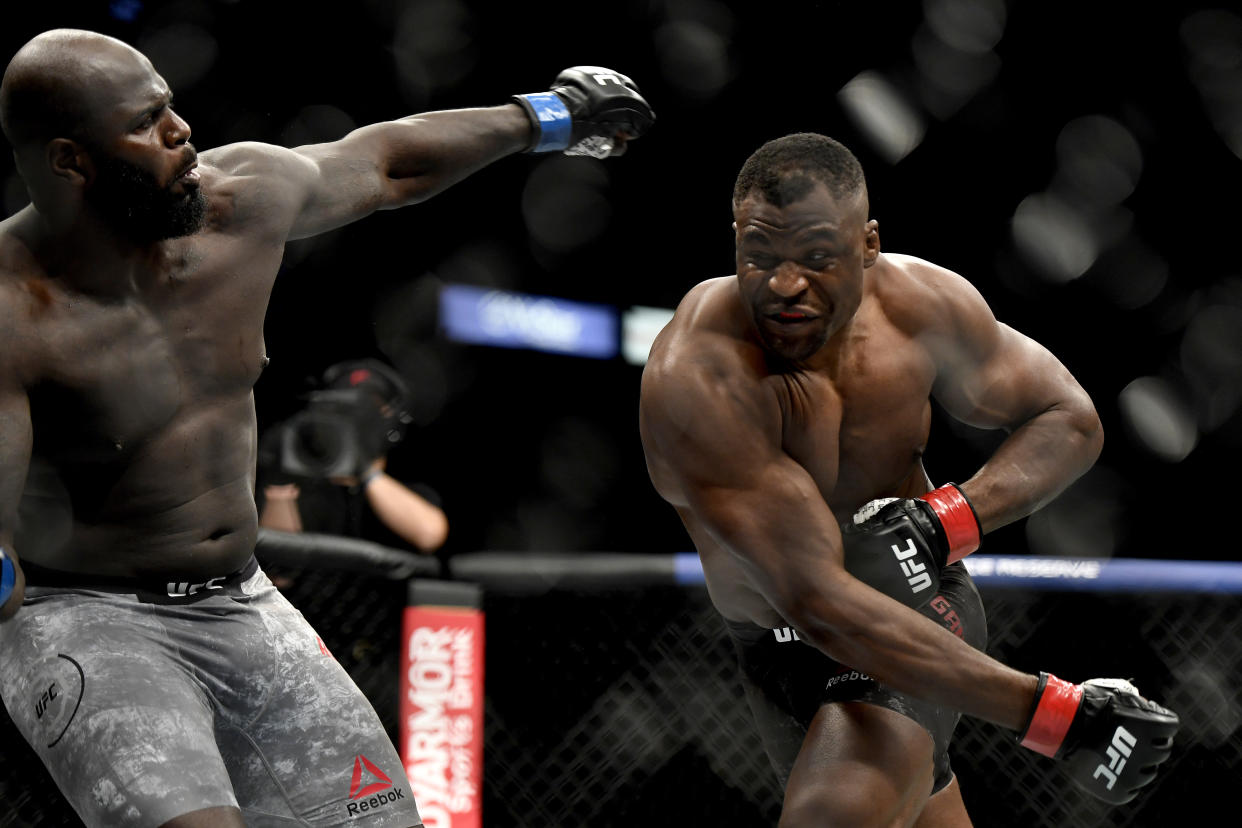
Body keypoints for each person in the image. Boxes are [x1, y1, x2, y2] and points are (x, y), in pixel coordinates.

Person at [0, 28, 652, 828]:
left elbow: (386, 163)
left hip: (241, 602)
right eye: (147, 122)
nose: (182, 132)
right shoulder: (12, 313)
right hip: (89, 615)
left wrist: (553, 115)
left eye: (171, 105)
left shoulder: (236, 202)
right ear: (70, 161)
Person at [638, 133, 1178, 827]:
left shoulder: (921, 307)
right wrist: (1056, 713)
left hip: (917, 600)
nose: (783, 284)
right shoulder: (700, 374)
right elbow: (818, 603)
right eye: (760, 254)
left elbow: (1067, 417)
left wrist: (944, 520)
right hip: (780, 641)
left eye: (816, 257)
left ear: (867, 244)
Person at [258, 358, 450, 554]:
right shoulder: (306, 476)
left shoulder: (406, 479)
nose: (354, 423)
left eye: (366, 412)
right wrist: (281, 480)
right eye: (341, 409)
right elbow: (277, 569)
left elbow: (430, 534)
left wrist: (365, 472)